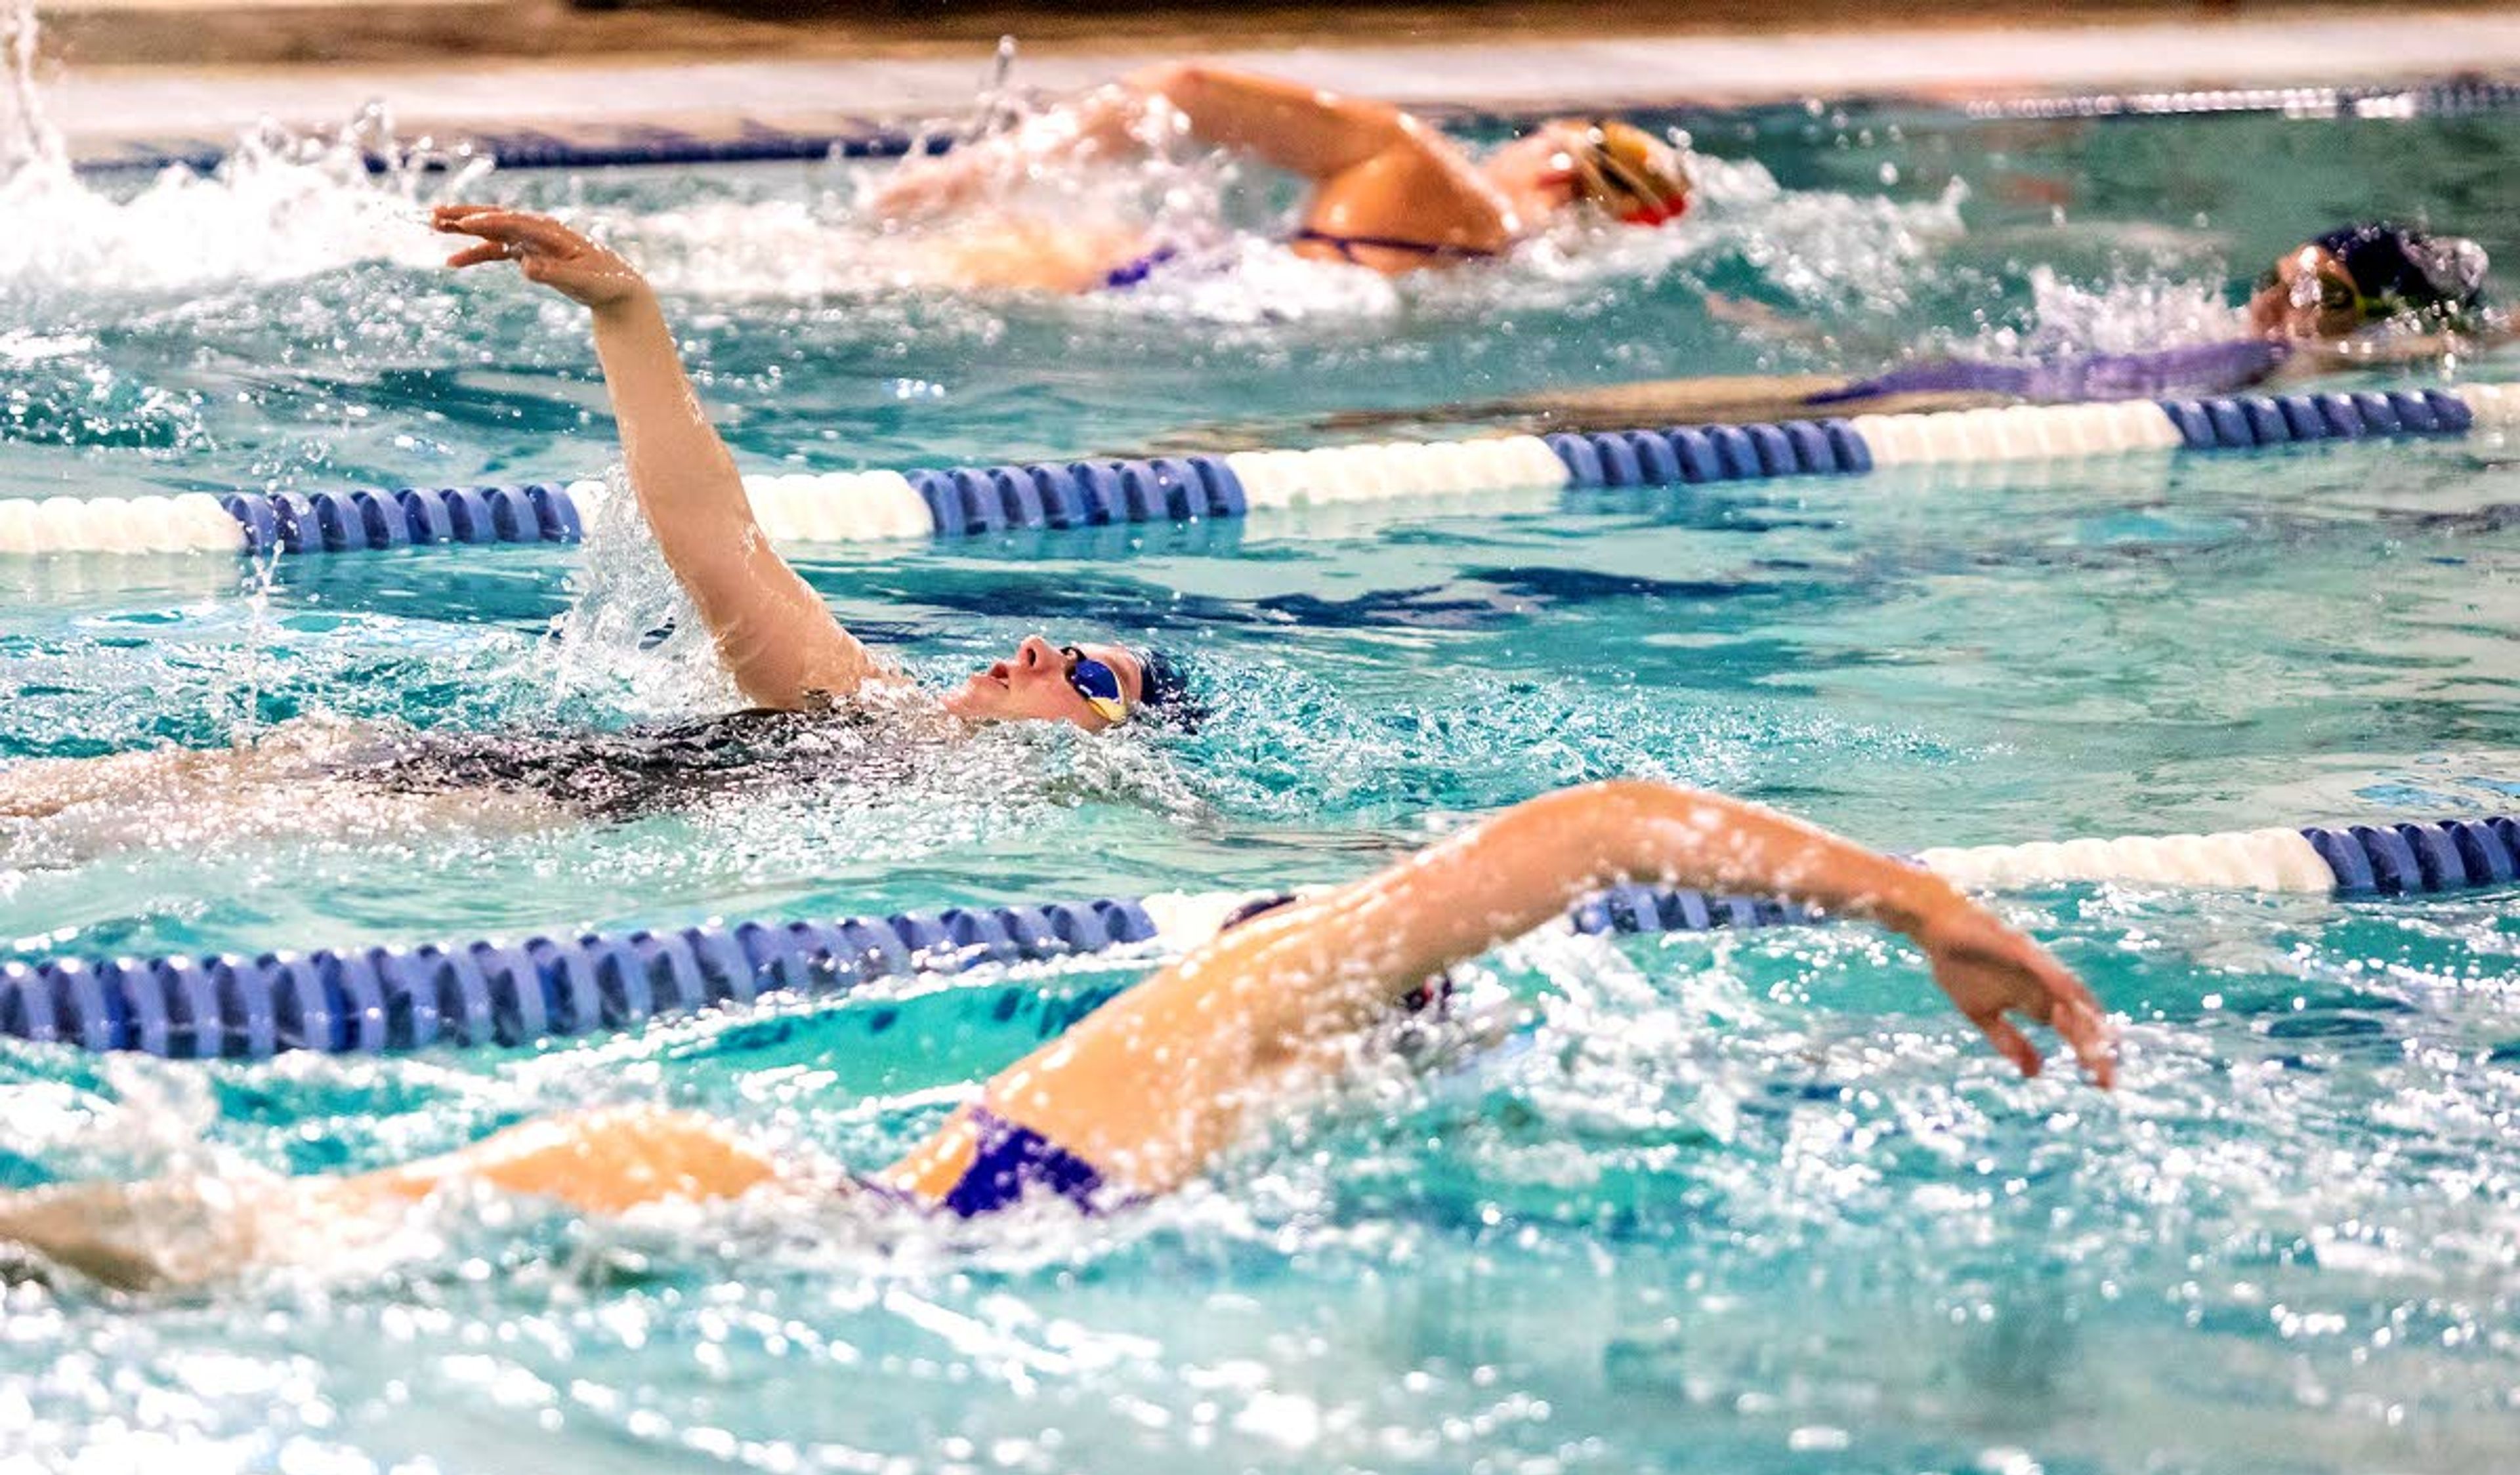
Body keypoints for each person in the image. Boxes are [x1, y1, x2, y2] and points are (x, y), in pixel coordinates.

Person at [0, 778, 2115, 1291]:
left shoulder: (1252, 1066)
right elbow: (1583, 831)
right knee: (227, 1241)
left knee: (235, 1250)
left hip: (830, 1215)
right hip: (782, 1200)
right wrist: (1918, 896)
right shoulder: (1284, 981)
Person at [0, 208, 1198, 838]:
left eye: (1089, 671)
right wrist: (628, 309)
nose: (1043, 647)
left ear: (1112, 749)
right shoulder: (863, 705)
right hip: (411, 782)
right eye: (1065, 639)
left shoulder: (980, 800)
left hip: (444, 824)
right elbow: (711, 532)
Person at [1287, 220, 2503, 439]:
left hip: (1969, 410)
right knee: (1601, 414)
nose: (2274, 307)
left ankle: (1378, 423)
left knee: (1595, 419)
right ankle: (1405, 419)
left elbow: (2463, 340)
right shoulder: (2246, 346)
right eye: (2275, 278)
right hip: (1953, 384)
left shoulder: (2331, 368)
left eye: (2320, 298)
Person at [863, 61, 1694, 290]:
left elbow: (1187, 89)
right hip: (1227, 296)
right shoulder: (1506, 252)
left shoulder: (1415, 158)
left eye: (1542, 135)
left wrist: (974, 171)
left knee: (869, 268)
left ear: (1557, 168)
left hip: (1183, 287)